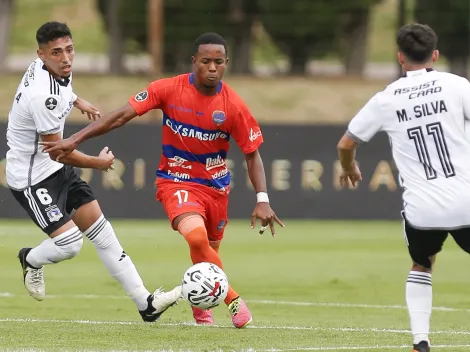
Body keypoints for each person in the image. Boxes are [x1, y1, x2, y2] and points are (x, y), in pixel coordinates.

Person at [41, 32, 284, 328]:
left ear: (226, 64)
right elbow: (120, 116)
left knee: (208, 252)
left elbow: (252, 153)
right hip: (175, 181)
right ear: (194, 62)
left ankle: (199, 306)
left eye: (218, 62)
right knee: (195, 237)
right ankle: (232, 299)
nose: (211, 67)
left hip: (216, 188)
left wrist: (262, 199)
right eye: (205, 61)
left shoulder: (232, 105)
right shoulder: (168, 89)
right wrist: (74, 140)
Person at [5, 21, 181, 323]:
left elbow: (62, 92)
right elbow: (58, 149)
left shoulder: (50, 68)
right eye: (57, 52)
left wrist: (77, 100)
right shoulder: (42, 97)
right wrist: (97, 164)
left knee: (103, 234)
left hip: (54, 167)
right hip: (31, 178)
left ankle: (145, 304)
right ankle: (30, 258)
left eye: (70, 50)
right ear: (41, 54)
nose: (66, 58)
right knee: (70, 244)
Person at [336, 23, 470, 352]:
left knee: (422, 263)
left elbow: (346, 143)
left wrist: (349, 165)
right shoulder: (457, 86)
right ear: (435, 55)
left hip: (423, 210)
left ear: (399, 57)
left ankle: (420, 341)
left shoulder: (387, 98)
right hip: (466, 201)